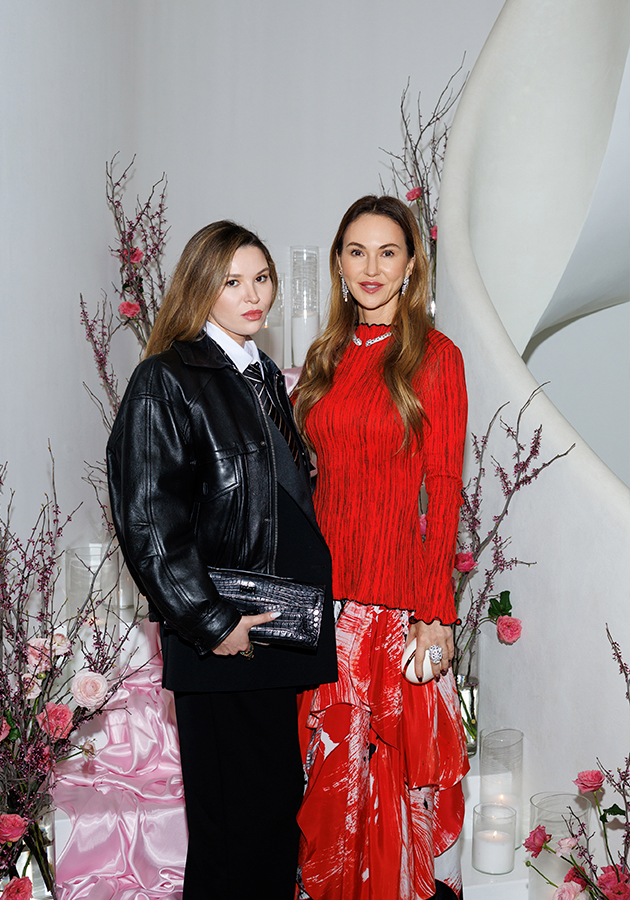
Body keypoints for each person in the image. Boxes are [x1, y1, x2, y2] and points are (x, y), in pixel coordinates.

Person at [106, 220, 337, 900]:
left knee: (268, 821)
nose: (252, 294)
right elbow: (148, 523)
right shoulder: (166, 378)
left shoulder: (261, 376)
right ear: (200, 288)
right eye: (232, 282)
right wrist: (212, 623)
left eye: (261, 278)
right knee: (234, 835)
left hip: (272, 631)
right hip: (225, 637)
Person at [293, 196, 469, 900]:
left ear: (410, 265)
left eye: (387, 252)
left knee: (390, 780)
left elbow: (444, 488)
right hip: (324, 602)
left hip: (395, 605)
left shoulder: (436, 356)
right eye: (357, 251)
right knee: (330, 778)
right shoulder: (325, 356)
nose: (372, 267)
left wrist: (435, 611)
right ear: (338, 263)